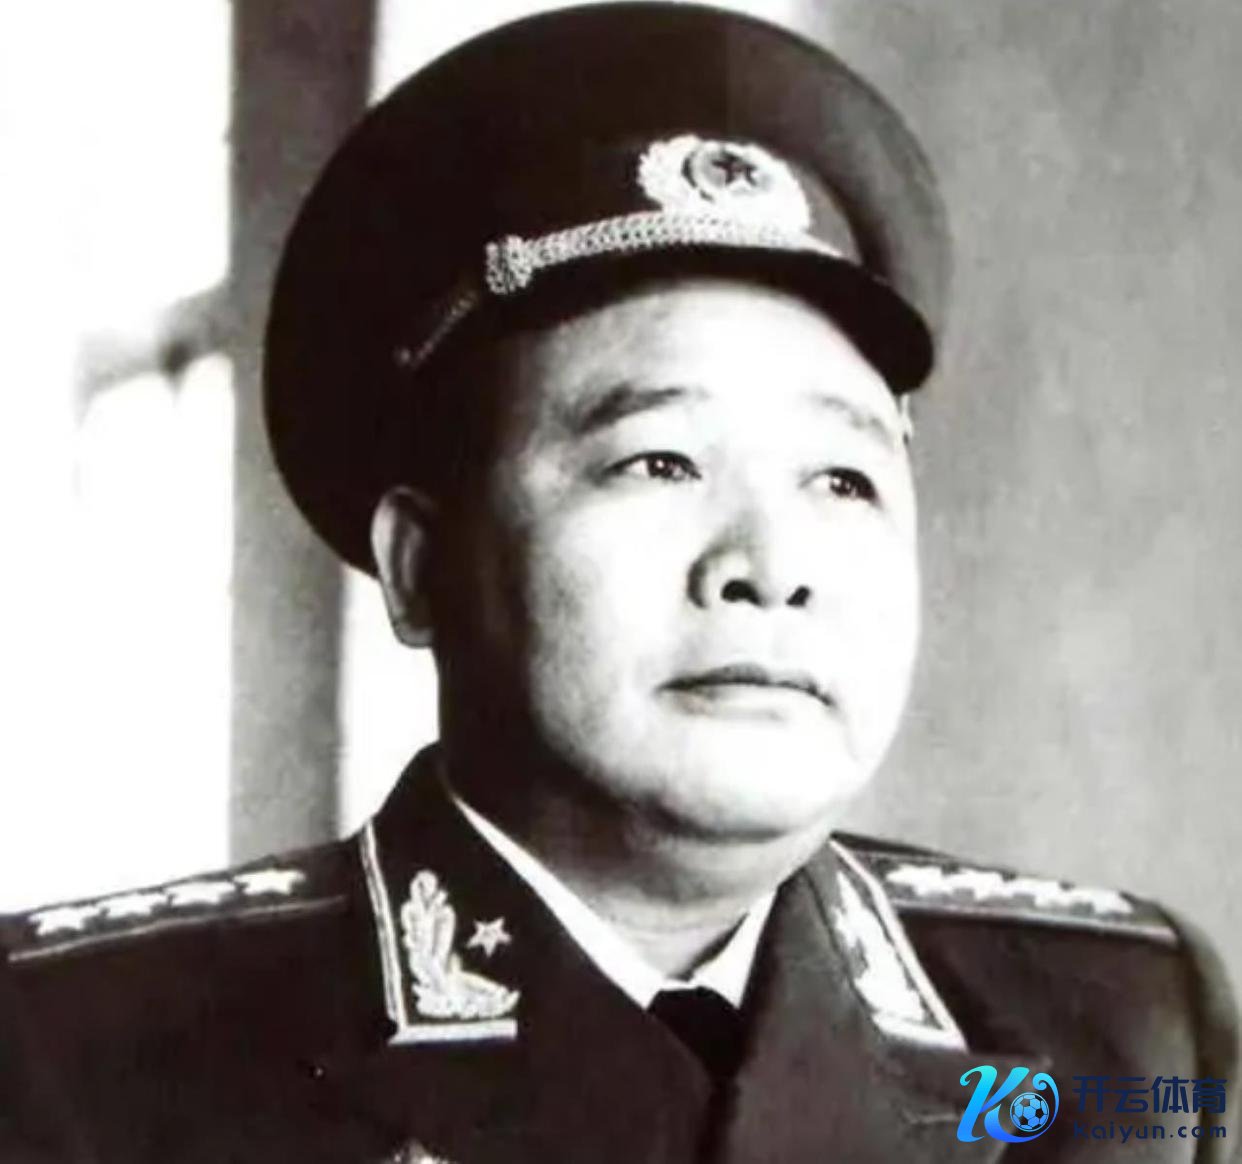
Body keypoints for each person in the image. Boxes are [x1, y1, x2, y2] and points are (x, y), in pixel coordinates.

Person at [0, 5, 1234, 1162]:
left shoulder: (1125, 1039)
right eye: (660, 462)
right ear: (421, 568)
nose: (771, 570)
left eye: (843, 480)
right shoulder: (70, 1059)